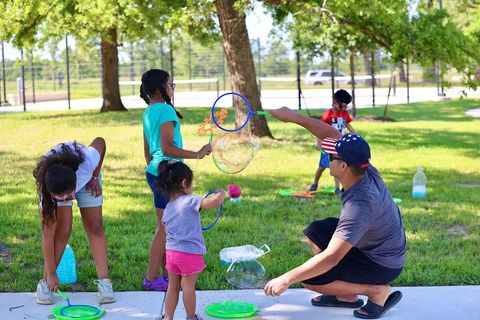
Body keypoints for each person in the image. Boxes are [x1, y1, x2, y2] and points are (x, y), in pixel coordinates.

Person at [264, 107, 406, 320]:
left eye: (330, 155)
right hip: (376, 247)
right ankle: (346, 296)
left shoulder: (361, 204)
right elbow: (329, 134)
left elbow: (331, 257)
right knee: (316, 231)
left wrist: (286, 278)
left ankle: (376, 292)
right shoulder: (364, 167)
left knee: (312, 280)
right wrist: (293, 117)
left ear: (343, 165)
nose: (326, 154)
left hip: (382, 263)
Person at [141, 69, 212, 292]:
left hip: (156, 171)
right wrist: (197, 154)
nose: (172, 87)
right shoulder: (165, 110)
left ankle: (165, 274)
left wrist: (155, 169)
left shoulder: (149, 111)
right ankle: (151, 278)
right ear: (159, 88)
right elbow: (167, 148)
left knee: (164, 226)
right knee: (163, 229)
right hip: (166, 174)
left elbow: (148, 151)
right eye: (170, 84)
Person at [33, 138, 116, 305]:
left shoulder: (87, 163)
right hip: (59, 181)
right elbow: (47, 236)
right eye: (60, 198)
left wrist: (93, 176)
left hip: (86, 176)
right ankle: (46, 282)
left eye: (69, 196)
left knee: (95, 227)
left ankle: (105, 282)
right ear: (50, 193)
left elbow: (100, 142)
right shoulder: (47, 188)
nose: (65, 199)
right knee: (62, 231)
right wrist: (52, 273)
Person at [156, 160, 225, 320]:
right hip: (189, 254)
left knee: (172, 287)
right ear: (184, 183)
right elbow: (213, 202)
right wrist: (221, 193)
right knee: (188, 287)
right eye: (191, 183)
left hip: (171, 253)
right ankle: (190, 317)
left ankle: (168, 318)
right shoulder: (190, 200)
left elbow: (166, 231)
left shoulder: (168, 207)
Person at [310, 89, 356, 195]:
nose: (344, 108)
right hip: (328, 144)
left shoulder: (344, 114)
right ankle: (315, 183)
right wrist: (319, 143)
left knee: (338, 166)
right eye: (342, 105)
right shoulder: (327, 115)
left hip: (339, 145)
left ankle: (337, 189)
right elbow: (320, 129)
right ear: (335, 102)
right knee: (322, 167)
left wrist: (356, 135)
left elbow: (348, 125)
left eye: (346, 106)